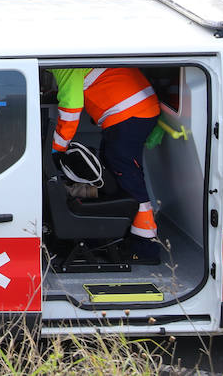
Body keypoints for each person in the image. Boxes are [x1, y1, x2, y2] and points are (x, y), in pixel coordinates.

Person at [50, 66, 161, 264]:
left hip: (128, 113)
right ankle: (120, 233)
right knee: (114, 172)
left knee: (127, 178)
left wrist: (57, 150)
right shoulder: (70, 56)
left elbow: (71, 108)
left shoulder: (64, 66)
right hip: (135, 108)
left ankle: (146, 246)